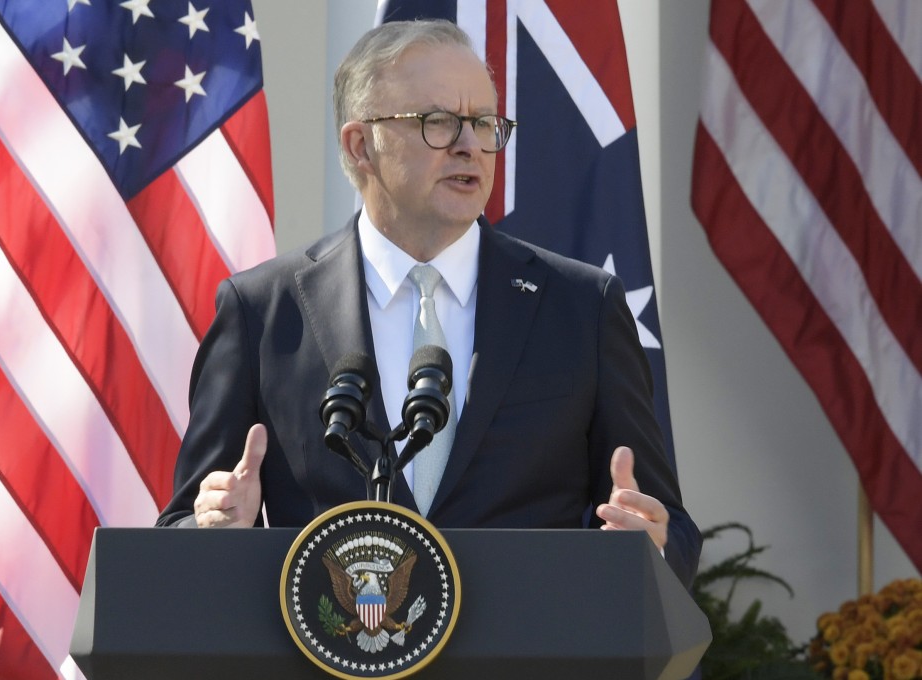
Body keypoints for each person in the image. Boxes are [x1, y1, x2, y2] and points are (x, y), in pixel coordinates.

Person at [156, 19, 701, 587]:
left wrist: (648, 546)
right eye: (438, 122)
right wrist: (213, 530)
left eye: (485, 123)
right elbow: (180, 528)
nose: (471, 145)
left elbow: (674, 532)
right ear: (360, 145)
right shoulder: (262, 312)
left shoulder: (582, 308)